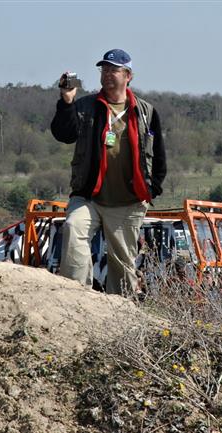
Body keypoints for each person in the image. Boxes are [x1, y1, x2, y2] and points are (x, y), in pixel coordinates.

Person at [50, 49, 166, 294]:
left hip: (128, 201)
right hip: (89, 196)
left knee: (122, 263)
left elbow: (159, 156)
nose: (107, 75)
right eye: (104, 70)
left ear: (128, 76)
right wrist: (67, 101)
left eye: (113, 70)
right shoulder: (86, 106)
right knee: (73, 227)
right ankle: (76, 295)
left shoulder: (145, 112)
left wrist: (152, 188)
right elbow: (64, 134)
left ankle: (120, 312)